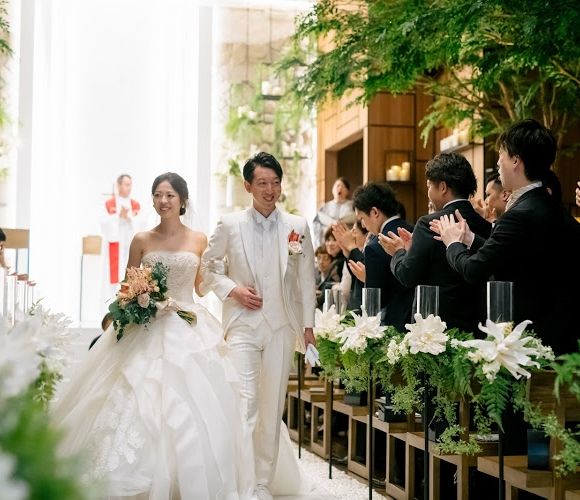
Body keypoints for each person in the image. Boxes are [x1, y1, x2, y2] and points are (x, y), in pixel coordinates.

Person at [51, 172, 253, 499]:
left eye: (170, 195)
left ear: (183, 200)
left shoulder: (199, 240)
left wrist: (226, 278)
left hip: (188, 322)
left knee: (194, 395)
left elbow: (201, 287)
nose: (163, 201)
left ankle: (190, 475)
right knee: (134, 388)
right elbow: (126, 287)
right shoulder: (141, 239)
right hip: (147, 323)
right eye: (158, 195)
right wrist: (140, 298)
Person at [201, 152, 316, 500]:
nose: (270, 190)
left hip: (281, 326)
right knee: (245, 403)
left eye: (275, 182)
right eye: (262, 183)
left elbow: (306, 280)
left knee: (271, 405)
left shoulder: (297, 226)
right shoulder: (229, 224)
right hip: (243, 326)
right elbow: (208, 267)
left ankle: (263, 482)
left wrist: (308, 327)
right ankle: (243, 482)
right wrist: (232, 290)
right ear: (248, 186)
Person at [432, 118, 578, 355]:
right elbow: (518, 257)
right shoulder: (552, 206)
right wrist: (471, 240)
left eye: (501, 154)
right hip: (561, 337)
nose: (498, 162)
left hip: (525, 340)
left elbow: (473, 270)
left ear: (516, 160)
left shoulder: (518, 214)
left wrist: (453, 244)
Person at [379, 152, 492, 334]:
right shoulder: (487, 226)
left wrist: (398, 252)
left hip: (437, 330)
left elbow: (408, 275)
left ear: (443, 187)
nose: (429, 193)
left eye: (429, 186)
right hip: (478, 327)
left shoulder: (428, 223)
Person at [349, 182, 414, 331]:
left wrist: (368, 279)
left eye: (362, 218)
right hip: (422, 318)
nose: (363, 225)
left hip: (395, 325)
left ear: (374, 212)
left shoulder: (375, 246)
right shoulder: (415, 230)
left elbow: (375, 302)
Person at [101, 174, 142, 298]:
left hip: (129, 244)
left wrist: (128, 217)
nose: (129, 187)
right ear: (119, 185)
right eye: (126, 184)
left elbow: (141, 222)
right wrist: (118, 216)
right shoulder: (109, 203)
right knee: (113, 275)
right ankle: (111, 301)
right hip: (115, 245)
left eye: (130, 184)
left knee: (130, 271)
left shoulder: (135, 204)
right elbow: (103, 222)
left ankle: (129, 299)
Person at [312, 176, 356, 247]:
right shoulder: (325, 207)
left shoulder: (353, 206)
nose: (340, 188)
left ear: (347, 191)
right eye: (337, 186)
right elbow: (316, 223)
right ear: (333, 190)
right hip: (328, 242)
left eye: (343, 186)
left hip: (347, 242)